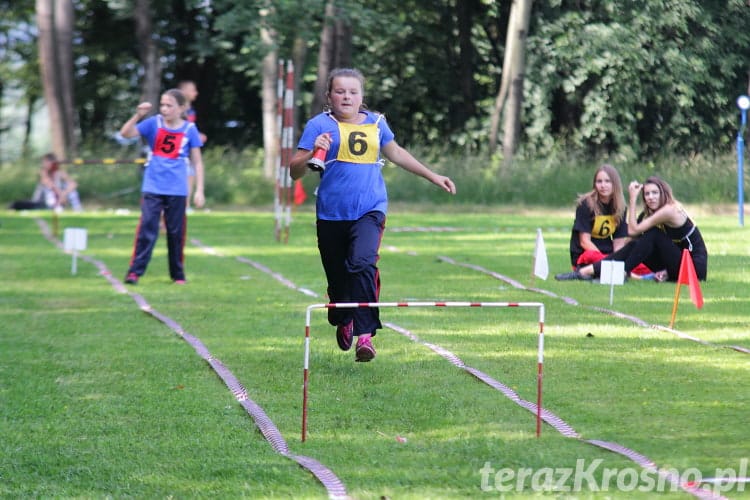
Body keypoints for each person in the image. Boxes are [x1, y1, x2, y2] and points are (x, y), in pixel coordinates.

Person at [289, 68, 456, 362]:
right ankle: (344, 318)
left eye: (353, 92)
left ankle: (365, 336)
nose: (346, 97)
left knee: (363, 263)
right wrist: (313, 151)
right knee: (339, 278)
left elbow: (397, 153)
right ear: (329, 96)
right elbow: (294, 170)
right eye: (340, 91)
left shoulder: (376, 123)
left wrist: (433, 176)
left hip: (370, 208)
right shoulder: (318, 125)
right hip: (331, 213)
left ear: (361, 97)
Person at [119, 88, 205, 285]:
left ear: (182, 108)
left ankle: (178, 274)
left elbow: (197, 162)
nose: (165, 109)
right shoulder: (153, 123)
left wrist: (199, 190)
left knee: (176, 233)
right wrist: (138, 115)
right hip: (153, 186)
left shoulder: (189, 129)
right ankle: (134, 272)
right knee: (147, 229)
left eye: (169, 105)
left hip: (177, 188)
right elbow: (126, 133)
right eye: (162, 105)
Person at [556, 176, 707, 282]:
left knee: (653, 234)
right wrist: (616, 255)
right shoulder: (651, 214)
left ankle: (620, 273)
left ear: (664, 194)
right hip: (677, 265)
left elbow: (633, 230)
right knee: (637, 243)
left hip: (694, 270)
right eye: (647, 194)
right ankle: (586, 271)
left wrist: (633, 199)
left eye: (655, 193)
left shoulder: (670, 209)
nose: (650, 197)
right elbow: (632, 238)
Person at [567, 164, 628, 269]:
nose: (603, 185)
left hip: (608, 254)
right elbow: (584, 242)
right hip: (586, 254)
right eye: (599, 181)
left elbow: (619, 243)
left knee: (633, 260)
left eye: (607, 181)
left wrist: (617, 259)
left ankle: (646, 276)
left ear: (615, 183)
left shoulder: (621, 207)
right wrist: (605, 261)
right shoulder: (586, 204)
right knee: (593, 257)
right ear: (595, 184)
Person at [177, 80, 207, 213]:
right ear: (183, 91)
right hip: (179, 151)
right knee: (188, 175)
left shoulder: (191, 109)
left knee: (191, 174)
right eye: (193, 90)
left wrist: (197, 135)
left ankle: (186, 205)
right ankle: (183, 206)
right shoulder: (179, 109)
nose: (196, 93)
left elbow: (188, 128)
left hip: (188, 150)